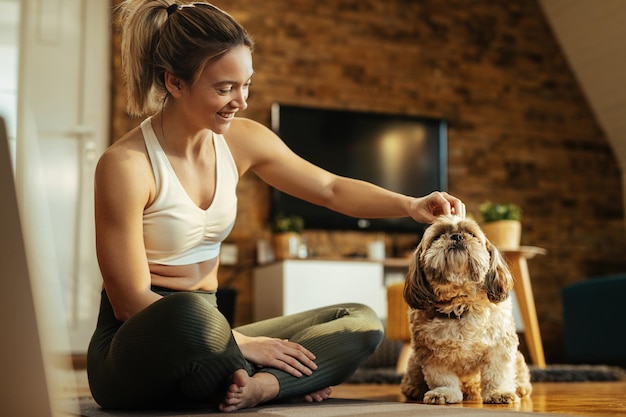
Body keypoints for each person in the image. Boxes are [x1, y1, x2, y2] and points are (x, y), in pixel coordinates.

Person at [87, 0, 466, 412]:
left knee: (360, 321)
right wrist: (245, 343)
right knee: (190, 318)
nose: (241, 100)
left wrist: (410, 205)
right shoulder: (126, 165)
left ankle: (258, 386)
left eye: (246, 84)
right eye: (224, 88)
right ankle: (267, 377)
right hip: (140, 343)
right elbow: (128, 301)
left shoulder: (242, 139)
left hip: (214, 332)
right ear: (174, 83)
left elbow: (329, 188)